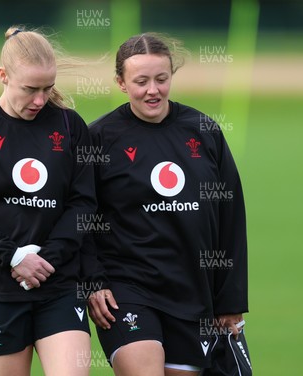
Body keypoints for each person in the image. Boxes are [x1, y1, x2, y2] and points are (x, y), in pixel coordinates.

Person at [85, 33, 249, 375]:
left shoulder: (203, 130)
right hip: (126, 289)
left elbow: (230, 217)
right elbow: (80, 215)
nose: (153, 90)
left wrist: (231, 300)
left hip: (192, 292)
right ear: (120, 82)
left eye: (161, 79)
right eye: (141, 81)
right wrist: (92, 281)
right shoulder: (99, 138)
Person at [0, 25, 96, 376]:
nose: (40, 100)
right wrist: (13, 256)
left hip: (58, 283)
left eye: (48, 88)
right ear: (3, 76)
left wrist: (46, 259)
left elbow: (84, 204)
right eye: (30, 89)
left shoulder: (71, 127)